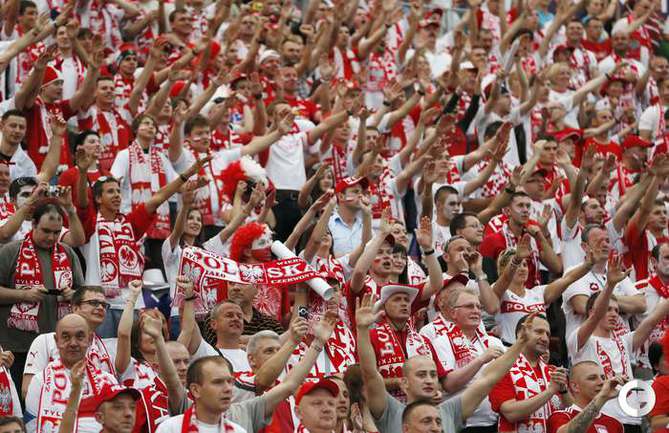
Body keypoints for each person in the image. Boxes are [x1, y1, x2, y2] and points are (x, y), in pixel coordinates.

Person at [357, 291, 539, 433]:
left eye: (433, 374)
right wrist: (363, 330)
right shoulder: (391, 412)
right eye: (421, 375)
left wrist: (520, 343)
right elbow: (370, 375)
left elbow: (488, 379)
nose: (429, 380)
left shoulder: (449, 412)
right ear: (404, 383)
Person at [0, 201, 85, 388]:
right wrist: (23, 295)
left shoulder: (68, 253)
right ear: (33, 224)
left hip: (57, 345)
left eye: (56, 232)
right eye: (46, 231)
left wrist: (73, 295)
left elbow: (83, 294)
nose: (51, 237)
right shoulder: (11, 251)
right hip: (17, 346)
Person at [24, 314, 118, 433]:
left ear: (89, 340)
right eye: (66, 337)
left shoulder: (109, 382)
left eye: (79, 337)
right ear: (56, 341)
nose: (73, 343)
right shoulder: (40, 381)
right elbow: (31, 427)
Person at [22, 286, 115, 397]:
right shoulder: (45, 341)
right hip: (53, 406)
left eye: (104, 305)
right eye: (93, 303)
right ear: (75, 308)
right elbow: (27, 391)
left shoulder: (107, 349)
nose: (100, 308)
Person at [489, 314, 570, 432]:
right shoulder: (503, 369)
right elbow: (511, 413)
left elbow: (570, 412)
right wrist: (550, 391)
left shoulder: (553, 372)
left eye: (548, 334)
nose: (545, 338)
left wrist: (563, 391)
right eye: (539, 332)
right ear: (520, 334)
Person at [547, 362, 623, 433]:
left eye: (603, 378)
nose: (601, 382)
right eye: (592, 378)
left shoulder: (615, 423)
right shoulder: (560, 416)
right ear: (575, 386)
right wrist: (602, 397)